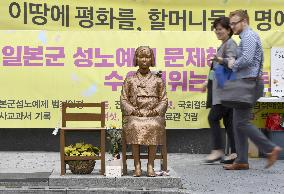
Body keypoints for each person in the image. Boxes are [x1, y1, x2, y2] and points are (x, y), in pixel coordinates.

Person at [222, 10, 282, 170]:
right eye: (231, 23)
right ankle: (241, 160)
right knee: (237, 122)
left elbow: (247, 60)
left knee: (241, 122)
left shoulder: (248, 36)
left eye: (234, 23)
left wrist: (232, 63)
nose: (232, 26)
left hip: (249, 83)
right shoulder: (246, 37)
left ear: (244, 21)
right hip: (247, 83)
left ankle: (270, 149)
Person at [120, 46, 168, 176]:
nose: (144, 60)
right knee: (135, 125)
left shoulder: (158, 80)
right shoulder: (129, 80)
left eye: (147, 57)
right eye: (141, 57)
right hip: (135, 115)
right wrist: (134, 111)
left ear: (151, 59)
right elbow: (123, 100)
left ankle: (150, 164)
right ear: (136, 59)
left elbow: (164, 100)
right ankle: (137, 164)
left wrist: (155, 111)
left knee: (155, 125)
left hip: (153, 115)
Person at [203, 17, 238, 164]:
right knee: (229, 122)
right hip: (224, 90)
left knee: (213, 118)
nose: (217, 32)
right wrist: (207, 81)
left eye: (220, 29)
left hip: (226, 90)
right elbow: (216, 69)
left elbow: (232, 63)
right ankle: (235, 153)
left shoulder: (230, 44)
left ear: (229, 30)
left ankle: (218, 149)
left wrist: (219, 60)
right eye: (216, 29)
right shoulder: (223, 45)